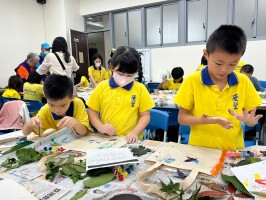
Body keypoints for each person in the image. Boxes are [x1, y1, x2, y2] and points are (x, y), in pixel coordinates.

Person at [174, 25, 263, 150]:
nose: (224, 69)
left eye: (232, 64)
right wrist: (210, 120)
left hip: (232, 151)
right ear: (206, 54)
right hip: (200, 149)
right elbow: (182, 118)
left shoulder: (243, 82)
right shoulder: (192, 81)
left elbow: (251, 121)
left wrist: (248, 121)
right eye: (218, 63)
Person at [87, 46, 155, 143]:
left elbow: (145, 116)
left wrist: (134, 132)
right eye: (120, 74)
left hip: (131, 141)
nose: (124, 78)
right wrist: (100, 127)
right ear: (112, 67)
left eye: (129, 75)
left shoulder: (140, 89)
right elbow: (92, 112)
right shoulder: (102, 87)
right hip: (107, 140)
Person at [22, 74, 92, 136]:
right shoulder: (46, 110)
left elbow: (84, 131)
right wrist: (29, 124)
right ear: (45, 97)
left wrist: (75, 123)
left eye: (63, 105)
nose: (57, 110)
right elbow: (25, 133)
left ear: (72, 98)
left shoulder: (77, 103)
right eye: (52, 105)